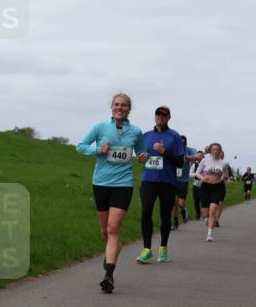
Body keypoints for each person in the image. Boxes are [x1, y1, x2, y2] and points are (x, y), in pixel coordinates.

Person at [76, 93, 147, 293]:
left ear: (129, 109)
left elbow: (142, 153)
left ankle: (109, 275)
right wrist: (97, 150)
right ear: (112, 108)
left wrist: (142, 156)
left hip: (123, 183)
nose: (119, 108)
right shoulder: (100, 127)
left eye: (123, 105)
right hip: (101, 183)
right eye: (116, 104)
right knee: (104, 231)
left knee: (113, 228)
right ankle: (113, 250)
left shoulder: (136, 131)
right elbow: (80, 147)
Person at [135, 106, 185, 264]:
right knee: (146, 210)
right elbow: (140, 155)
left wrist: (164, 151)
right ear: (155, 116)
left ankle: (163, 247)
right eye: (158, 115)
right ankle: (147, 249)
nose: (161, 117)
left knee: (165, 216)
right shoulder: (146, 136)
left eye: (164, 115)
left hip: (167, 182)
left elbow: (180, 162)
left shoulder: (174, 137)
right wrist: (141, 158)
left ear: (168, 118)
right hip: (149, 180)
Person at [195, 143, 231, 242]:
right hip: (206, 187)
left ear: (220, 151)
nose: (215, 151)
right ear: (211, 151)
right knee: (205, 213)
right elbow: (197, 173)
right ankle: (207, 219)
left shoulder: (224, 163)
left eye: (217, 150)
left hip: (218, 187)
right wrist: (203, 178)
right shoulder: (204, 160)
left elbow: (226, 175)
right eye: (214, 149)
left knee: (213, 209)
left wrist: (224, 177)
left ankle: (209, 234)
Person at [173, 135, 204, 230]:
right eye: (180, 144)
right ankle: (175, 221)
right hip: (173, 179)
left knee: (181, 203)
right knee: (173, 202)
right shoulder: (173, 149)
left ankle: (183, 210)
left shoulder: (190, 150)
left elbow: (198, 156)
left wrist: (186, 157)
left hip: (184, 180)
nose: (181, 146)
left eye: (183, 145)